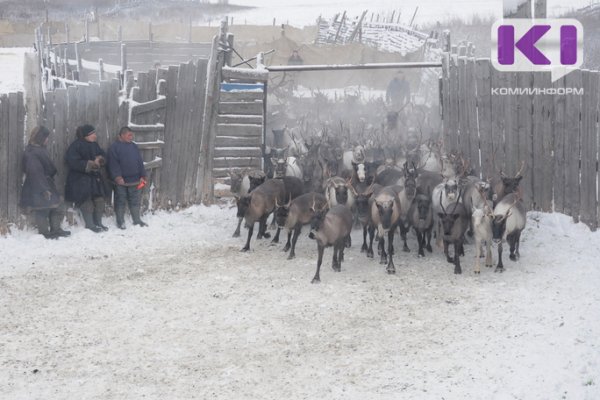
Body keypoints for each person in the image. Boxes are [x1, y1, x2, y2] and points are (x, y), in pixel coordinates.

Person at [20, 126, 71, 239]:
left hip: (46, 182)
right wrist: (44, 189)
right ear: (40, 137)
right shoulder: (31, 152)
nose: (47, 139)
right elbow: (35, 172)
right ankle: (45, 233)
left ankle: (56, 229)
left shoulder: (40, 149)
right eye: (46, 137)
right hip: (38, 185)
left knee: (56, 206)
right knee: (42, 209)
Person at [64, 124, 108, 233]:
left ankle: (98, 223)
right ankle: (90, 225)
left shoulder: (94, 145)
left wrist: (101, 159)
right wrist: (90, 164)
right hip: (80, 180)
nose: (95, 136)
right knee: (86, 201)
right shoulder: (76, 146)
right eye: (93, 133)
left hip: (94, 179)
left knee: (99, 200)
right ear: (86, 135)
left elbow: (102, 155)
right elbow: (72, 161)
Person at [107, 126, 148, 229]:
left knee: (135, 200)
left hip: (135, 180)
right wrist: (117, 177)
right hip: (122, 181)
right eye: (129, 135)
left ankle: (137, 220)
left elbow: (139, 161)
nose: (131, 137)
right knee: (120, 201)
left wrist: (143, 175)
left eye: (132, 135)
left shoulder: (134, 146)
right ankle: (120, 222)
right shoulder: (114, 148)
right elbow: (113, 164)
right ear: (122, 135)